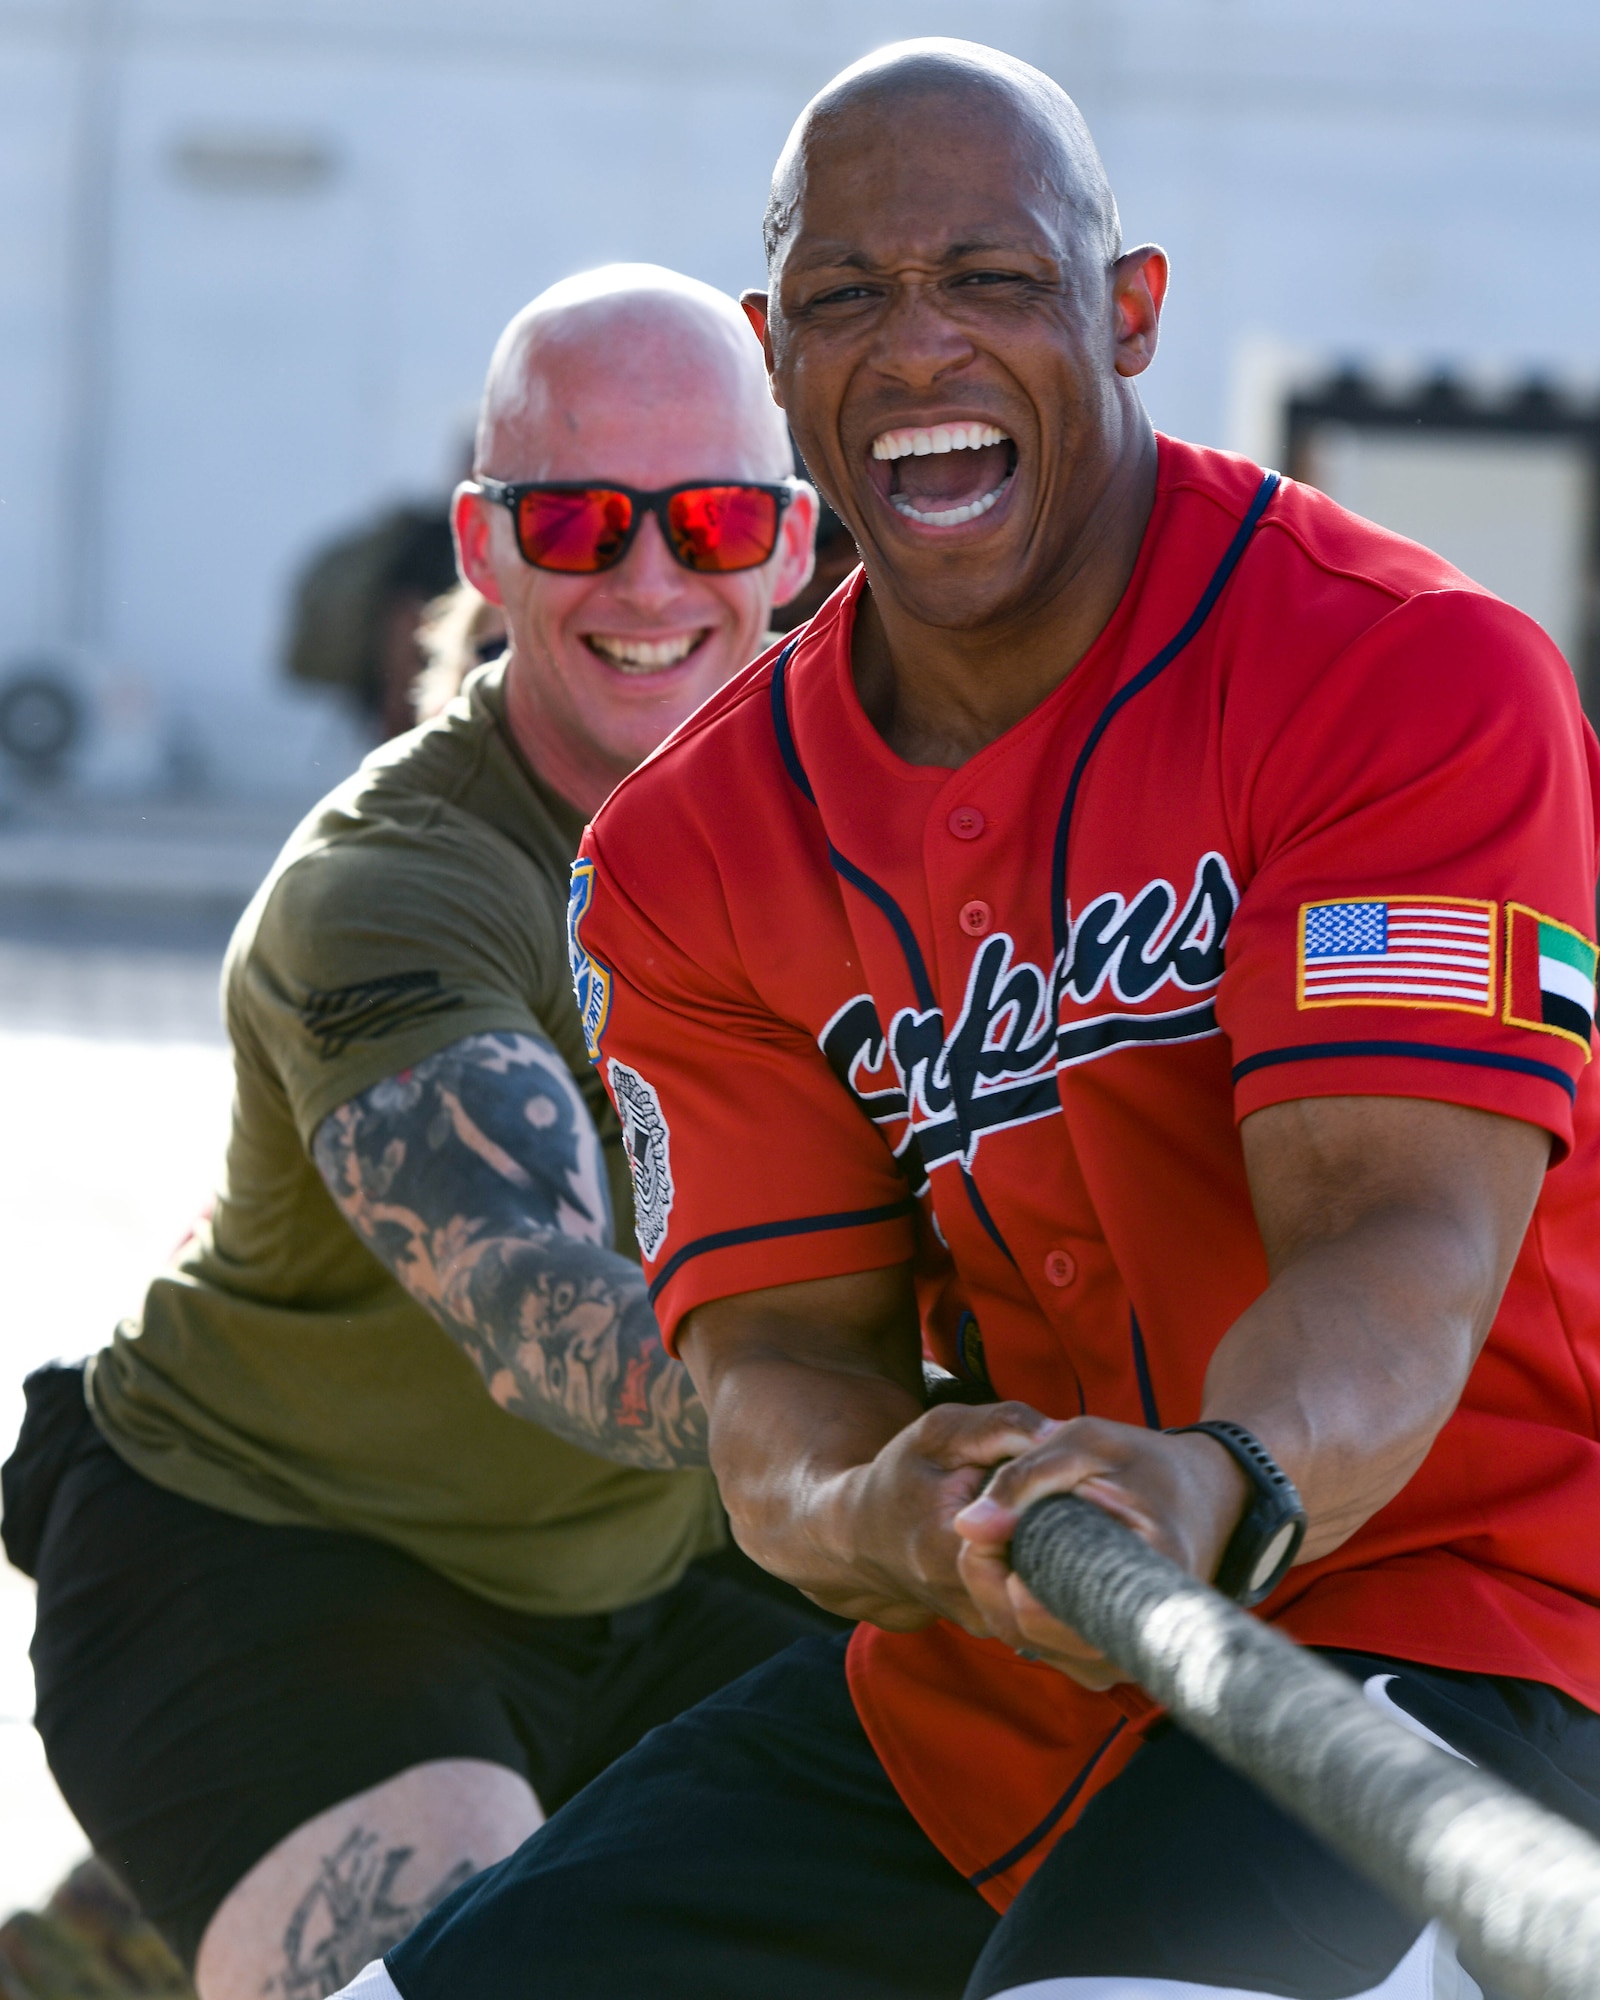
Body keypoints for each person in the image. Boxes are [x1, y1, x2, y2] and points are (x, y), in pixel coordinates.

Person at [355, 40, 1600, 2000]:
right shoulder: (688, 845)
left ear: (1125, 313)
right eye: (848, 296)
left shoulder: (1404, 675)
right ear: (777, 355)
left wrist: (1211, 1474)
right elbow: (771, 1356)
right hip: (999, 1685)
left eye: (992, 280)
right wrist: (872, 1511)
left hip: (1475, 1622)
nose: (917, 346)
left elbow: (1398, 1245)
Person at [0, 263, 822, 2000]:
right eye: (585, 518)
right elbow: (542, 1307)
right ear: (486, 546)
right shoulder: (389, 891)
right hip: (278, 1560)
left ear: (795, 543)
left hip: (662, 1568)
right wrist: (896, 1421)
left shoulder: (871, 827)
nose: (655, 577)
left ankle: (118, 1947)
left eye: (715, 518)